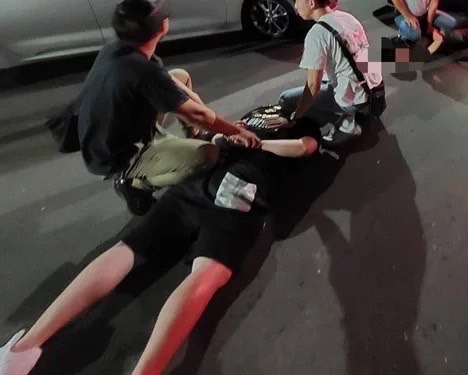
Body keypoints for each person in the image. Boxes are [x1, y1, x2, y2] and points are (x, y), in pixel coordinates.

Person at [0, 113, 323, 375]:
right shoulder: (261, 116)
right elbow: (213, 138)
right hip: (208, 187)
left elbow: (303, 147)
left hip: (233, 192)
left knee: (193, 270)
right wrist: (227, 137)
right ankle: (24, 349)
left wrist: (255, 142)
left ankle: (22, 352)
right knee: (139, 252)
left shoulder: (301, 124)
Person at [77, 0, 261, 215]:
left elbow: (182, 93)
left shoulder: (120, 48)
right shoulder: (142, 70)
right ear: (160, 26)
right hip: (118, 153)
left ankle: (193, 138)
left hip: (113, 130)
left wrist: (211, 121)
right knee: (208, 155)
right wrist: (236, 131)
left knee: (180, 76)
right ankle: (134, 184)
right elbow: (196, 114)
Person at [279, 0, 383, 146]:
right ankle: (351, 114)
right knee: (328, 78)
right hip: (374, 88)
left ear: (311, 3)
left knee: (286, 99)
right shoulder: (348, 18)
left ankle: (346, 124)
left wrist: (296, 116)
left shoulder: (317, 34)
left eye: (297, 1)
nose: (295, 6)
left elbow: (313, 86)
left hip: (353, 99)